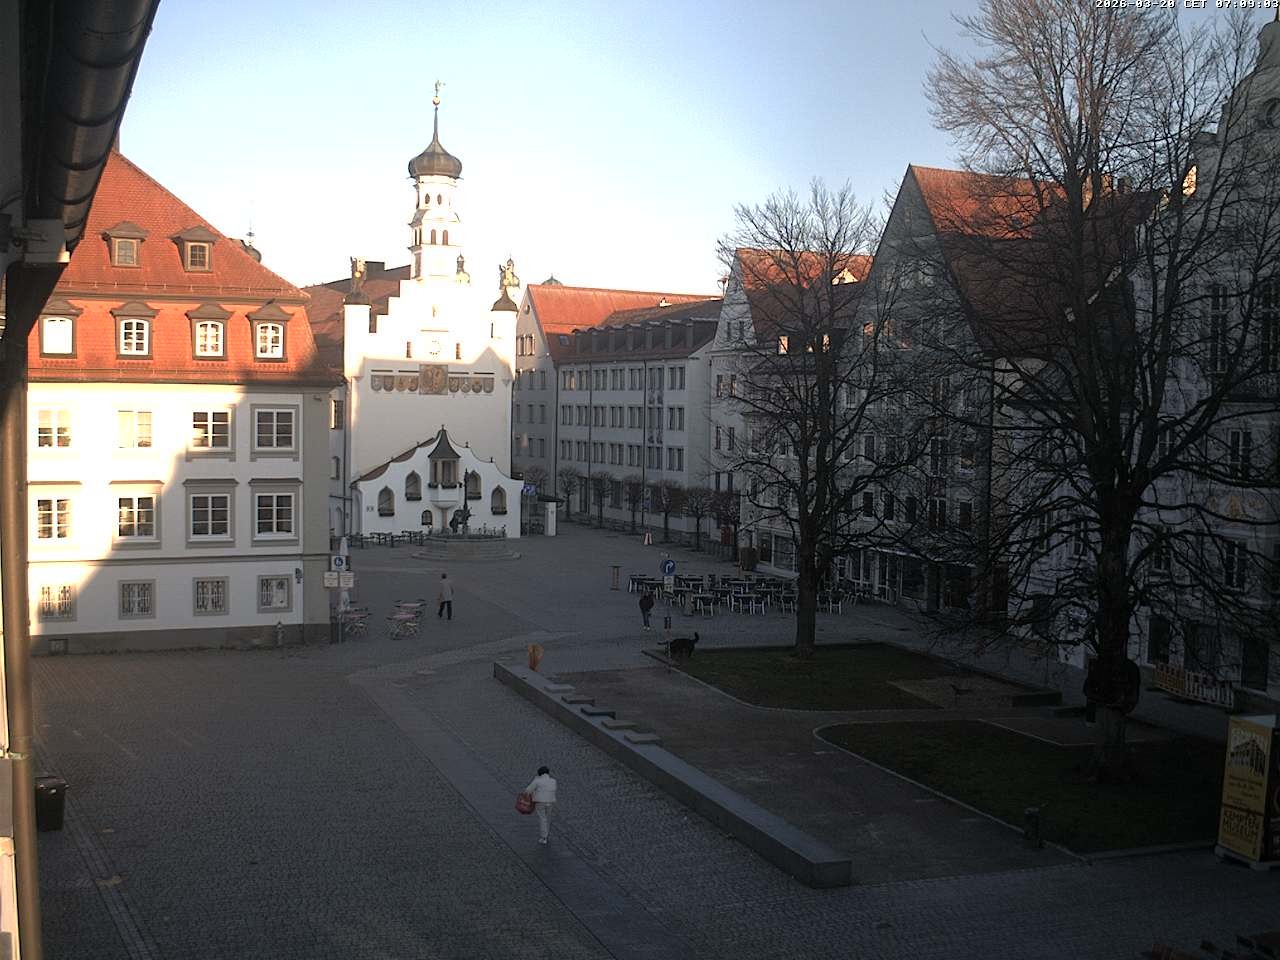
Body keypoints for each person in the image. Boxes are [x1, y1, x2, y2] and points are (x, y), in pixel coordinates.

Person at [525, 765, 557, 844]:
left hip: (540, 802)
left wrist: (535, 779)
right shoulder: (553, 781)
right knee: (548, 818)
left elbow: (528, 790)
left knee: (542, 818)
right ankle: (546, 834)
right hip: (551, 801)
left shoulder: (537, 781)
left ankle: (544, 837)